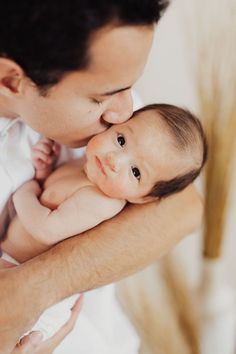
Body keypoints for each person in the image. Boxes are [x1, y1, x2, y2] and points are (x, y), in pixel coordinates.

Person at [0, 2, 203, 353]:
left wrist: (28, 291)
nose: (126, 112)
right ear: (11, 80)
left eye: (130, 86)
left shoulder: (120, 129)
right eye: (102, 97)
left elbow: (183, 207)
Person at [1, 103, 207, 342]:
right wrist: (43, 171)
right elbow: (54, 196)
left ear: (142, 198)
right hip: (15, 269)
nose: (115, 160)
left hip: (42, 306)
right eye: (121, 141)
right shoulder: (87, 167)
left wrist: (26, 191)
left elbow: (46, 229)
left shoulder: (100, 200)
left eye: (136, 172)